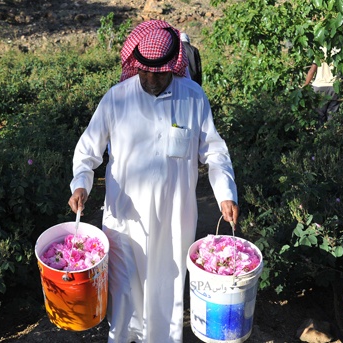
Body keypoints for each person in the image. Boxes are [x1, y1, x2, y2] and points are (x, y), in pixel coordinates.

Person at [67, 20, 239, 343]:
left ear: (173, 67)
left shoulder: (193, 99)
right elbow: (87, 150)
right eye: (144, 71)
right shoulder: (117, 100)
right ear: (136, 64)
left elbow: (214, 153)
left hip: (174, 221)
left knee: (167, 292)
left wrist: (225, 193)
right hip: (124, 220)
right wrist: (81, 184)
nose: (150, 79)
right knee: (124, 292)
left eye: (159, 72)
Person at [303, 46, 341, 122]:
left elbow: (312, 71)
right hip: (334, 87)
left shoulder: (320, 51)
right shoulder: (339, 50)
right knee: (332, 116)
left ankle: (318, 132)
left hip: (319, 87)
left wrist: (305, 86)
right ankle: (331, 132)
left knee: (319, 116)